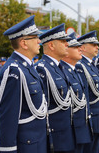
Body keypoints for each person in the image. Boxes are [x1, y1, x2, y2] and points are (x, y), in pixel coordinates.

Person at [0, 15, 47, 153]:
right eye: (35, 38)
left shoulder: (28, 68)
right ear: (24, 43)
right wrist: (8, 150)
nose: (39, 41)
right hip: (27, 147)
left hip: (37, 143)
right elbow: (7, 117)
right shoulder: (14, 71)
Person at [35, 23, 75, 153]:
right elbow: (42, 110)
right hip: (55, 137)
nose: (67, 45)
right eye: (63, 41)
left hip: (65, 135)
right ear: (51, 45)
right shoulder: (42, 69)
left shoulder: (59, 67)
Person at [60, 32, 92, 153]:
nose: (80, 49)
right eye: (75, 47)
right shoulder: (62, 71)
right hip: (70, 131)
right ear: (66, 51)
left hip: (81, 128)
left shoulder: (75, 70)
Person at [76, 31, 99, 153]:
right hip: (92, 118)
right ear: (83, 47)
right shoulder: (81, 66)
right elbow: (85, 95)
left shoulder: (91, 65)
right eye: (93, 44)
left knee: (98, 148)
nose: (97, 47)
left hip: (98, 116)